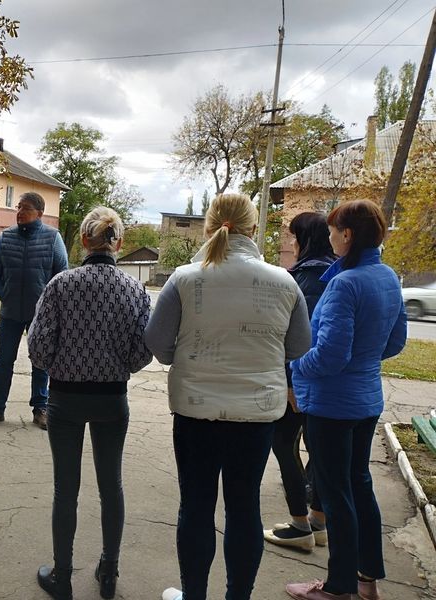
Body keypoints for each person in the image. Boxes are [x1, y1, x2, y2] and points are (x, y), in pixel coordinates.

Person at [144, 193, 312, 600]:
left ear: (209, 225)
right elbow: (299, 346)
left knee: (196, 508)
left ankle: (194, 595)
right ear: (255, 228)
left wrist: (184, 355)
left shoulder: (185, 278)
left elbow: (158, 343)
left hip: (195, 414)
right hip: (256, 417)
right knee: (244, 509)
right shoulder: (283, 280)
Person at [28, 207, 152, 600]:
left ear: (83, 241)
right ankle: (109, 573)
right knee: (110, 486)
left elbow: (38, 347)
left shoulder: (61, 285)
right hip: (112, 399)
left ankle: (61, 577)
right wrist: (116, 367)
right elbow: (141, 352)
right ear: (119, 244)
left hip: (64, 398)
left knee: (66, 490)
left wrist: (62, 364)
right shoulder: (134, 290)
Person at [286, 200, 407, 600]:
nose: (331, 236)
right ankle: (366, 580)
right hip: (366, 401)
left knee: (336, 496)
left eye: (336, 230)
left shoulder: (345, 283)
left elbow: (328, 356)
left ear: (348, 236)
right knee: (359, 487)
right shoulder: (387, 276)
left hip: (332, 406)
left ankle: (338, 588)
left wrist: (294, 365)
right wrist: (363, 359)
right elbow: (395, 342)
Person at [264, 212, 336, 551]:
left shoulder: (306, 279)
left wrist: (292, 383)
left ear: (304, 239)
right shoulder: (337, 272)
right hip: (333, 383)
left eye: (293, 236)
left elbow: (300, 339)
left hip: (301, 382)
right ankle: (320, 521)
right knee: (320, 450)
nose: (290, 243)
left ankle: (300, 524)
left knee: (284, 444)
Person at [0, 191, 68, 430]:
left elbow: (61, 273)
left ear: (39, 213)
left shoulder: (53, 238)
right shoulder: (6, 238)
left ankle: (40, 409)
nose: (20, 213)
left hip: (40, 314)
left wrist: (48, 304)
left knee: (40, 362)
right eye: (18, 207)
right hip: (11, 312)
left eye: (25, 208)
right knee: (4, 361)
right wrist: (5, 295)